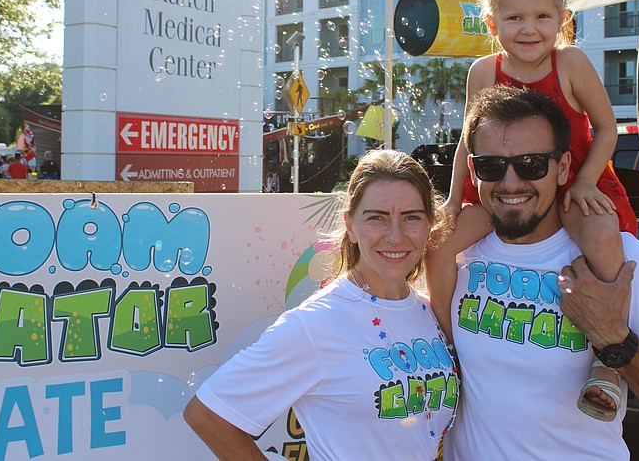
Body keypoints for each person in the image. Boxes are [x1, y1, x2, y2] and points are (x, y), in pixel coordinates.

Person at [428, 0, 637, 421]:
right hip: (506, 189)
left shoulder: (572, 63)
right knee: (440, 246)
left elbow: (607, 128)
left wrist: (584, 182)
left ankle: (609, 362)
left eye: (543, 16)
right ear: (491, 22)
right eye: (514, 17)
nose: (529, 29)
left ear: (563, 19)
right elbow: (466, 142)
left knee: (605, 236)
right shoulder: (483, 72)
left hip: (573, 183)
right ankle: (445, 343)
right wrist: (453, 199)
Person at [443, 86, 639, 459]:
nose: (511, 182)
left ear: (564, 166)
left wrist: (613, 338)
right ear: (473, 169)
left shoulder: (621, 259)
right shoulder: (456, 258)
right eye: (492, 166)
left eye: (532, 164)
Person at [183, 149, 457, 460]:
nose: (395, 236)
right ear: (351, 226)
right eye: (377, 218)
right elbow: (208, 416)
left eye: (411, 217)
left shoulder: (427, 310)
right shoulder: (315, 324)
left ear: (429, 225)